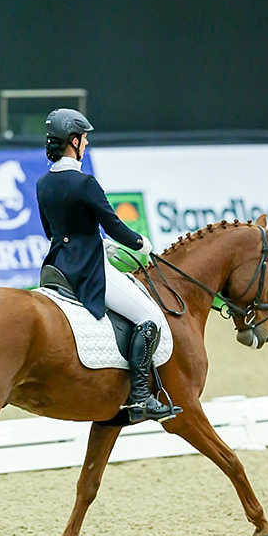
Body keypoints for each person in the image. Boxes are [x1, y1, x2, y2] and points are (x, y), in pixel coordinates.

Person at [36, 108, 181, 424]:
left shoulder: (43, 183)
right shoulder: (85, 183)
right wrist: (141, 243)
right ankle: (141, 397)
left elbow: (54, 232)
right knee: (149, 317)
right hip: (88, 270)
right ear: (73, 141)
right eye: (84, 139)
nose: (86, 144)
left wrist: (97, 242)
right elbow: (114, 225)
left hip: (58, 268)